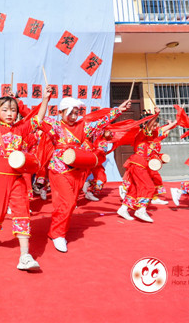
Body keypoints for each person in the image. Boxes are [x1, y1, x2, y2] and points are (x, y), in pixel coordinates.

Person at [0, 75, 51, 271]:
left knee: (22, 212)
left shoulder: (21, 129)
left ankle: (25, 256)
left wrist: (45, 99)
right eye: (5, 110)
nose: (9, 113)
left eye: (13, 110)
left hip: (17, 178)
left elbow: (38, 119)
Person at [41, 97, 130, 252]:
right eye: (70, 113)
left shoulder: (82, 126)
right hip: (59, 169)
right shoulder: (55, 126)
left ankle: (56, 229)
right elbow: (38, 119)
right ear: (61, 112)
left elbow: (101, 124)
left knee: (67, 203)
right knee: (68, 202)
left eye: (76, 113)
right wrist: (45, 99)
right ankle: (58, 234)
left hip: (76, 169)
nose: (74, 116)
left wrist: (118, 110)